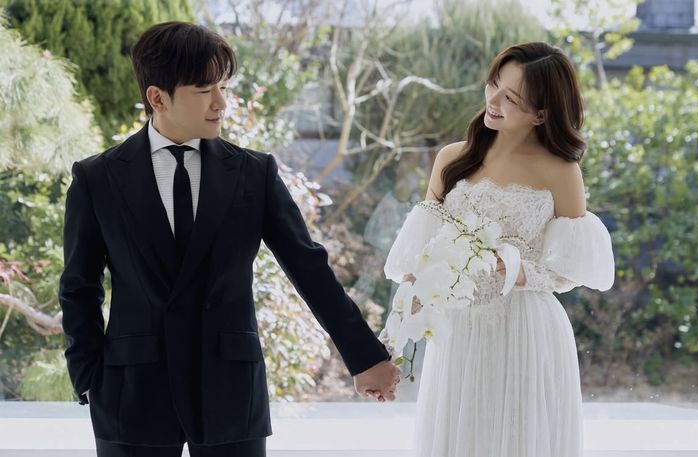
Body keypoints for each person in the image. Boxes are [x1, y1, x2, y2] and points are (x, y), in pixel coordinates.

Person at [59, 21, 400, 457]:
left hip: (229, 389)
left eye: (223, 87)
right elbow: (79, 287)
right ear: (157, 98)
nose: (221, 102)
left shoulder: (254, 174)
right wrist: (88, 376)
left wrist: (365, 356)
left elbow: (309, 269)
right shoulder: (97, 178)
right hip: (131, 392)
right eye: (205, 90)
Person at [383, 42, 615, 456]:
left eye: (511, 98)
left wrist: (519, 270)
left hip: (526, 331)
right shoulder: (452, 158)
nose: (492, 100)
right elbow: (420, 261)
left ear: (540, 113)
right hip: (459, 333)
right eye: (493, 85)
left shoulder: (562, 170)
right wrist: (397, 335)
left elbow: (570, 267)